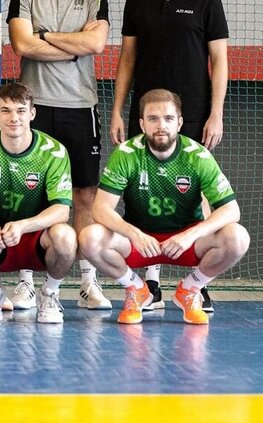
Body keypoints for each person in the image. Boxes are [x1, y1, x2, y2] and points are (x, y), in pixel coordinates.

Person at [109, 0, 230, 312]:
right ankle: (150, 282)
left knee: (198, 194)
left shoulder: (207, 1)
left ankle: (194, 286)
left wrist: (216, 113)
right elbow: (126, 59)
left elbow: (220, 61)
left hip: (192, 112)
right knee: (144, 192)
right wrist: (117, 108)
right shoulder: (137, 1)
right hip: (147, 113)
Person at [7, 0, 111, 311]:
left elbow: (97, 44)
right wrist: (72, 45)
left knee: (84, 194)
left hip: (80, 108)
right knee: (30, 195)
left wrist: (46, 34)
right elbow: (22, 44)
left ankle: (87, 282)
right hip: (36, 107)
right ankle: (26, 282)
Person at [80, 89, 247, 325]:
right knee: (89, 237)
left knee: (237, 237)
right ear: (141, 123)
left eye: (168, 119)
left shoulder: (197, 156)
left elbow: (231, 210)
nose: (161, 126)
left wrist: (190, 236)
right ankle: (136, 289)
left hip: (186, 243)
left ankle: (190, 290)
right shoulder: (126, 154)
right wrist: (134, 233)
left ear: (179, 123)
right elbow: (100, 209)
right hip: (140, 242)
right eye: (153, 119)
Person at [0, 83, 77, 324]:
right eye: (6, 111)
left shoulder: (54, 151)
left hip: (38, 236)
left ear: (32, 113)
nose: (14, 118)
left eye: (21, 111)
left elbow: (62, 210)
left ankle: (50, 294)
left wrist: (24, 226)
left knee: (66, 237)